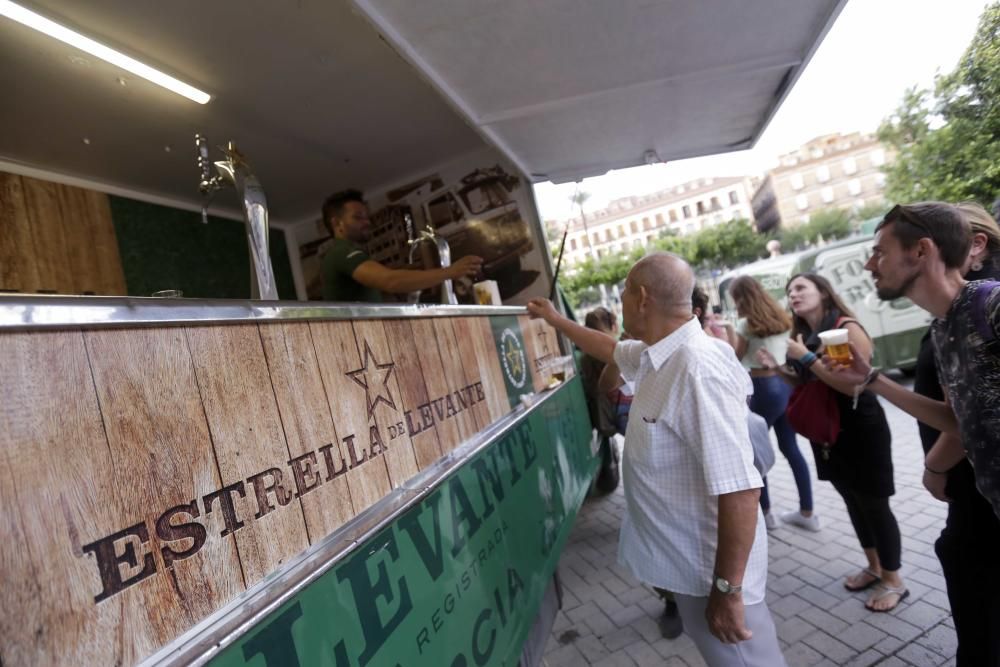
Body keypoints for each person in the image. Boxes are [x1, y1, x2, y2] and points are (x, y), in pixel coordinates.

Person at [527, 253, 785, 667]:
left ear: (642, 298)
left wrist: (727, 590)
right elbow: (609, 348)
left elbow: (741, 490)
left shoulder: (695, 367)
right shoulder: (657, 353)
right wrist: (556, 320)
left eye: (625, 292)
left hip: (710, 575)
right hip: (692, 570)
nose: (621, 302)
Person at [832, 201, 1000, 664]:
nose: (870, 263)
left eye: (880, 251)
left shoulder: (991, 301)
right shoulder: (944, 329)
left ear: (922, 251)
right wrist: (874, 380)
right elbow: (957, 420)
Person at [757, 273, 907, 612]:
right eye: (789, 290)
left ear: (823, 291)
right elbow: (806, 384)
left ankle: (895, 580)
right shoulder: (802, 335)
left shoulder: (845, 326)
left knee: (874, 503)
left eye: (800, 287)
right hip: (827, 429)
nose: (793, 294)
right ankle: (874, 566)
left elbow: (853, 384)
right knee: (852, 499)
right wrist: (779, 368)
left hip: (860, 427)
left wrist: (805, 356)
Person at [727, 276, 817, 532]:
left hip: (762, 389)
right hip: (785, 386)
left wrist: (728, 335)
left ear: (742, 298)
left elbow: (736, 357)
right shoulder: (782, 317)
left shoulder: (746, 324)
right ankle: (807, 512)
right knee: (791, 448)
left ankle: (767, 515)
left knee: (756, 450)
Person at [320, 189, 483, 302]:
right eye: (358, 217)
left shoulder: (348, 253)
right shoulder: (341, 253)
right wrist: (450, 272)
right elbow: (390, 281)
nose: (367, 222)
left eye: (367, 217)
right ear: (337, 223)